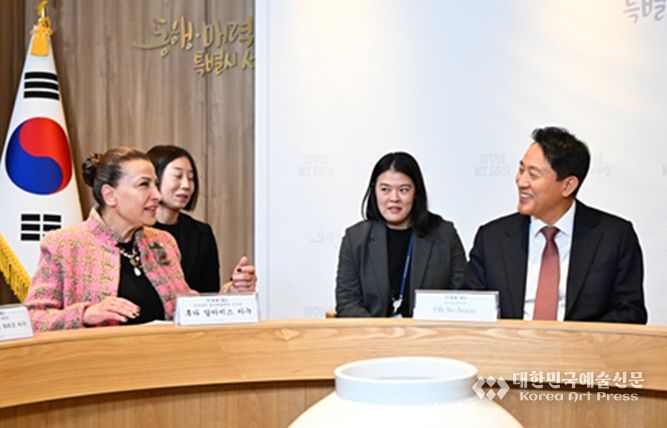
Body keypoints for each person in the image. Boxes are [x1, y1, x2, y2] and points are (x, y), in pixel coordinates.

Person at [23, 147, 256, 331]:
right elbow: (33, 319)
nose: (157, 195)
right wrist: (85, 314)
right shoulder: (64, 245)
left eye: (156, 184)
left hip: (162, 367)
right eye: (144, 185)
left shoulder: (163, 242)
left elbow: (186, 308)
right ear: (110, 195)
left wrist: (233, 294)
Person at [465, 127, 647, 323]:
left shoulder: (614, 237)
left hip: (582, 342)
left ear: (568, 186)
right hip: (509, 342)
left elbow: (630, 312)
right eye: (521, 170)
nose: (521, 182)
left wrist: (574, 338)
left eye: (533, 175)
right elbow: (469, 310)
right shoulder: (492, 238)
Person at [335, 152, 467, 317]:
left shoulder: (444, 234)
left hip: (428, 332)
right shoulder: (355, 238)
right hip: (373, 331)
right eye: (385, 189)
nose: (394, 198)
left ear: (416, 192)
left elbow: (463, 295)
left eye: (403, 190)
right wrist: (381, 330)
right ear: (374, 191)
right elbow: (347, 302)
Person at [147, 145, 254, 293]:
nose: (186, 185)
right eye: (178, 176)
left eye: (191, 178)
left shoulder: (202, 233)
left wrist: (232, 290)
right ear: (154, 179)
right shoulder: (135, 231)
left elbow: (208, 293)